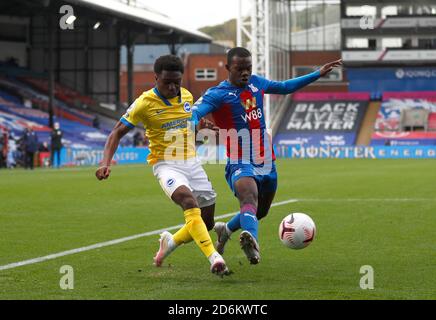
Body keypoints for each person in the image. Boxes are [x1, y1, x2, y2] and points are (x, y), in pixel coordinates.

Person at [191, 47, 342, 264]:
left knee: (260, 211)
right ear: (227, 68)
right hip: (239, 158)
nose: (245, 72)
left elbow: (284, 87)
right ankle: (252, 241)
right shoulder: (217, 94)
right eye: (239, 69)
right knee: (249, 197)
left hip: (266, 159)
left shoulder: (256, 83)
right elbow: (195, 112)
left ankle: (227, 229)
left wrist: (317, 73)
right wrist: (196, 123)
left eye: (248, 68)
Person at [95, 55, 230, 276]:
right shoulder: (144, 103)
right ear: (156, 78)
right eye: (167, 82)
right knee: (188, 201)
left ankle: (170, 242)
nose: (172, 87)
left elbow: (188, 126)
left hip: (192, 163)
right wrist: (105, 162)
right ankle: (214, 258)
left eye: (176, 82)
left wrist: (200, 127)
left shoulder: (186, 96)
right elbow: (117, 131)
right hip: (166, 164)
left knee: (205, 224)